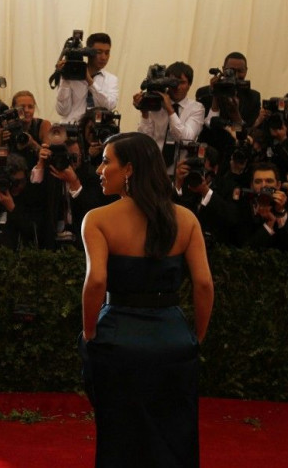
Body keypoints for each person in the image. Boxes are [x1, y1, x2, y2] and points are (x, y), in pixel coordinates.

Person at [79, 132, 213, 467]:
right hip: (173, 340)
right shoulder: (186, 219)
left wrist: (89, 333)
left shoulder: (97, 219)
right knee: (174, 438)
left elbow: (96, 281)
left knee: (120, 438)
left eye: (106, 160)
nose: (99, 168)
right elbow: (204, 285)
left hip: (117, 340)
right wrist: (195, 337)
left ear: (129, 168)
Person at [134, 62, 205, 175]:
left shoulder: (197, 108)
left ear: (189, 84)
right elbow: (145, 139)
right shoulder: (155, 103)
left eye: (182, 82)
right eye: (173, 82)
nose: (177, 87)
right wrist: (144, 112)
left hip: (179, 172)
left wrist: (170, 110)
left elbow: (186, 139)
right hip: (152, 168)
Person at [55, 32, 119, 123]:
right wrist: (64, 77)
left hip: (97, 131)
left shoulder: (111, 80)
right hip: (72, 129)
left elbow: (109, 106)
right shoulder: (70, 76)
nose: (103, 57)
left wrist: (90, 82)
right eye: (99, 52)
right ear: (89, 52)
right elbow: (62, 111)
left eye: (107, 53)